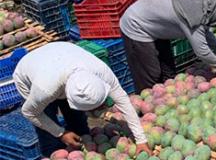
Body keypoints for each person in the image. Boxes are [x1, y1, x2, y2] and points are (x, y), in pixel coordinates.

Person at [13, 42, 150, 157]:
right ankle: (52, 151)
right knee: (49, 134)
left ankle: (77, 144)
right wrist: (60, 133)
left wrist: (141, 139)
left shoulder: (100, 71)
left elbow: (123, 101)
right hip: (30, 75)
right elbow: (30, 113)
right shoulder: (44, 90)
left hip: (61, 53)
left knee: (79, 125)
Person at [120, 0, 216, 92]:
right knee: (151, 74)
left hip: (157, 22)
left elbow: (205, 31)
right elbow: (203, 53)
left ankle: (165, 95)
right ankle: (143, 110)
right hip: (136, 25)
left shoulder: (202, 6)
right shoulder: (192, 17)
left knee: (168, 71)